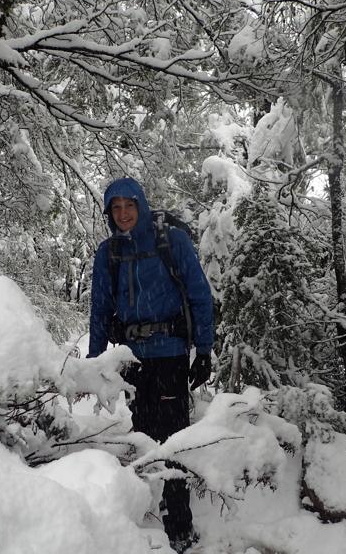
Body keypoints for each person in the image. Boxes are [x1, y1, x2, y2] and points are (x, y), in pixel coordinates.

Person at [87, 177, 215, 553]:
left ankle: (180, 527)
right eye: (116, 208)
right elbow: (99, 310)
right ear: (109, 213)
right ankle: (141, 518)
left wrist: (203, 349)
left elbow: (199, 294)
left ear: (141, 206)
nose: (124, 214)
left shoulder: (170, 241)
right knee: (141, 436)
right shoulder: (107, 253)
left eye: (130, 206)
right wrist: (96, 362)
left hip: (171, 354)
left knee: (173, 440)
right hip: (132, 360)